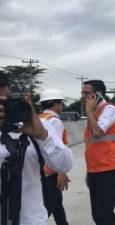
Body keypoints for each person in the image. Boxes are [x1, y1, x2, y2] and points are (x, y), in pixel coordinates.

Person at [0, 72, 73, 225]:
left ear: (8, 95)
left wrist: (43, 136)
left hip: (30, 218)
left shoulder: (37, 124)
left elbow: (65, 164)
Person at [82, 80, 115, 225]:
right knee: (97, 215)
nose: (83, 96)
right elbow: (91, 147)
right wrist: (89, 172)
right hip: (95, 170)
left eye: (87, 93)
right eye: (83, 92)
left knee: (104, 215)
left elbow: (98, 132)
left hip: (110, 169)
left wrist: (88, 110)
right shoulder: (93, 114)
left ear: (98, 94)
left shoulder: (109, 109)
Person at [39, 89, 71, 225]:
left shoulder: (40, 118)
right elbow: (55, 150)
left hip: (42, 169)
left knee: (58, 204)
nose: (62, 107)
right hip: (51, 171)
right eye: (62, 103)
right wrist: (61, 172)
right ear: (56, 104)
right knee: (48, 206)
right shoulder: (55, 121)